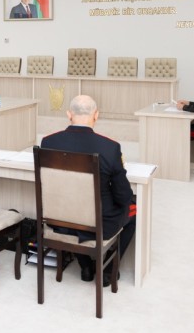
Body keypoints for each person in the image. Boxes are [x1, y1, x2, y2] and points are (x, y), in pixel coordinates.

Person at [40, 95, 136, 286]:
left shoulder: (48, 142)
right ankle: (109, 270)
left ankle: (85, 266)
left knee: (74, 210)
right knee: (134, 209)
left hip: (60, 220)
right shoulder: (109, 147)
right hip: (99, 225)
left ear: (69, 115)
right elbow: (123, 196)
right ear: (96, 115)